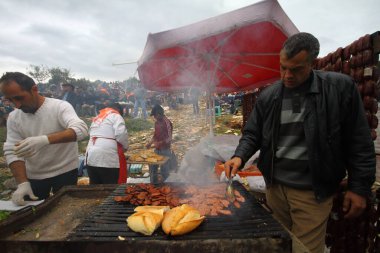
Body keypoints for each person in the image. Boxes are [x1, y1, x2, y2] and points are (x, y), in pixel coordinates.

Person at [224, 32, 375, 253]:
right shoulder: (269, 96)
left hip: (312, 191)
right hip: (275, 188)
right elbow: (252, 133)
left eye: (295, 69)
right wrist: (239, 156)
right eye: (283, 67)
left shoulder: (339, 89)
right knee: (279, 245)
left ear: (312, 63)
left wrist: (359, 187)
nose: (287, 75)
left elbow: (359, 140)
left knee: (304, 249)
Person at [0, 72, 88, 205]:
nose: (16, 105)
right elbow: (12, 150)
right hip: (34, 175)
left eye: (19, 98)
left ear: (34, 89)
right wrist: (22, 183)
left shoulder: (59, 107)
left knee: (65, 210)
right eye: (10, 100)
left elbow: (81, 130)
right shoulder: (14, 117)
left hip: (65, 170)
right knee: (34, 214)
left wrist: (44, 140)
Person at [85, 103, 128, 184]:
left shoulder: (97, 117)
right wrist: (125, 147)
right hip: (108, 159)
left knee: (95, 188)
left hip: (91, 158)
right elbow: (121, 134)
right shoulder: (116, 115)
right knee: (110, 189)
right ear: (118, 111)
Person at [146, 104, 173, 183]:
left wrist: (160, 143)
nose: (154, 117)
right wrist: (150, 143)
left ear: (158, 114)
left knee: (164, 171)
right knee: (152, 169)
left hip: (165, 150)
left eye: (154, 115)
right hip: (157, 150)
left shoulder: (167, 122)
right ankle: (153, 185)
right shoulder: (157, 122)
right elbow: (155, 135)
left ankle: (166, 187)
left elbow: (169, 138)